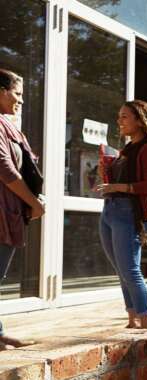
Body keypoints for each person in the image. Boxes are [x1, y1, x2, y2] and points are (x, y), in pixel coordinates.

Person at [96, 100, 147, 329]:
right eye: (119, 116)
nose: (119, 121)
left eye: (124, 117)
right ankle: (132, 319)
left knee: (130, 270)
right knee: (121, 270)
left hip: (128, 214)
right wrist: (106, 171)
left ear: (140, 121)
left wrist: (118, 188)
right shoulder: (128, 148)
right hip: (111, 210)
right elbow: (121, 180)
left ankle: (145, 320)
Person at [0, 68, 45, 349]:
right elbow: (4, 169)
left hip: (8, 212)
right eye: (17, 93)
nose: (22, 100)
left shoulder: (7, 124)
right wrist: (34, 202)